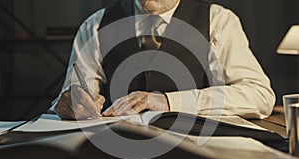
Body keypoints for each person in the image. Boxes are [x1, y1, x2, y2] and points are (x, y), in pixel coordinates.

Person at [50, 0, 275, 120]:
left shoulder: (219, 21)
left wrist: (169, 102)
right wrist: (70, 104)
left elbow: (259, 95)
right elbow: (77, 94)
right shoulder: (96, 25)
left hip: (199, 155)